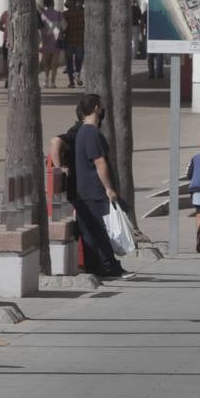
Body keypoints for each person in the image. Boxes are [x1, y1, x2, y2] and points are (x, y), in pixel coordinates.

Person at [71, 93, 127, 279]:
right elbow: (99, 162)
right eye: (101, 106)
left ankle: (96, 268)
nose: (103, 109)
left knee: (91, 232)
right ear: (96, 108)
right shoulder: (92, 132)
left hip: (84, 191)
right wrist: (109, 188)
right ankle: (108, 267)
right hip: (95, 191)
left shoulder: (82, 132)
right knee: (102, 231)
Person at [38, 0, 62, 88]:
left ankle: (46, 80)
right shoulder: (59, 14)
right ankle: (53, 82)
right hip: (57, 39)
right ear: (53, 3)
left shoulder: (42, 14)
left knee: (46, 62)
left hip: (46, 40)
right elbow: (64, 26)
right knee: (54, 63)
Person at [61, 0, 84, 88]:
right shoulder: (83, 13)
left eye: (67, 1)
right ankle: (77, 77)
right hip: (80, 40)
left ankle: (71, 82)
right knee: (78, 62)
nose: (65, 2)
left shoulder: (64, 14)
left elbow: (62, 29)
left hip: (69, 41)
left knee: (69, 63)